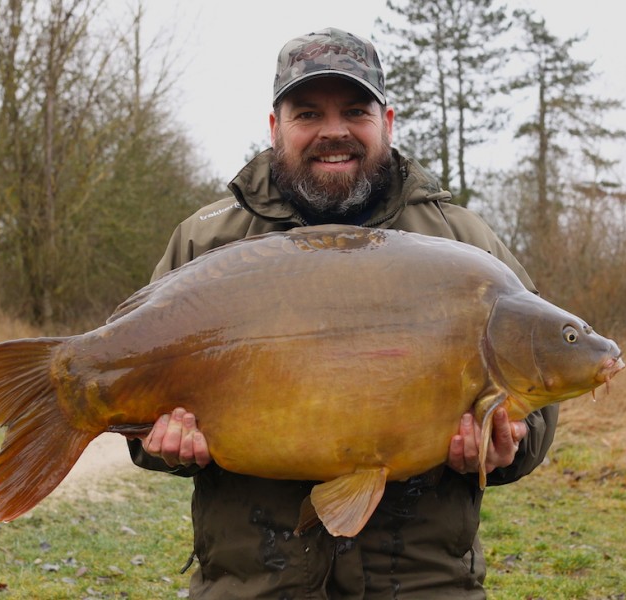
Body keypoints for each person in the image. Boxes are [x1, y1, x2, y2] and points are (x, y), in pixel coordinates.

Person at [127, 27, 558, 599]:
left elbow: (538, 416)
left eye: (355, 110)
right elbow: (133, 400)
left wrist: (507, 447)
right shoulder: (206, 243)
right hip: (252, 586)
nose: (334, 131)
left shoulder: (467, 246)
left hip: (422, 585)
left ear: (388, 121)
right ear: (275, 126)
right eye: (308, 113)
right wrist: (161, 446)